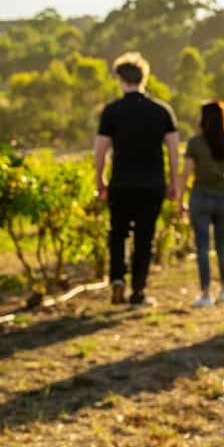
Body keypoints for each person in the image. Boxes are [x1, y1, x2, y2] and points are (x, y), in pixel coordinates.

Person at [94, 52, 179, 307]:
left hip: (121, 183)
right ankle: (138, 291)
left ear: (120, 79)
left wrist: (100, 180)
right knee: (144, 238)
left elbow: (100, 151)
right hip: (152, 185)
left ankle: (118, 276)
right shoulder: (162, 111)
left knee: (117, 233)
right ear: (144, 77)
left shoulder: (111, 112)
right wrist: (174, 182)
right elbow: (174, 150)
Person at [178, 100, 224, 308]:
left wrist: (180, 201)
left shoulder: (195, 142)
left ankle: (205, 294)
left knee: (203, 247)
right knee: (223, 245)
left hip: (200, 197)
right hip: (223, 198)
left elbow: (185, 173)